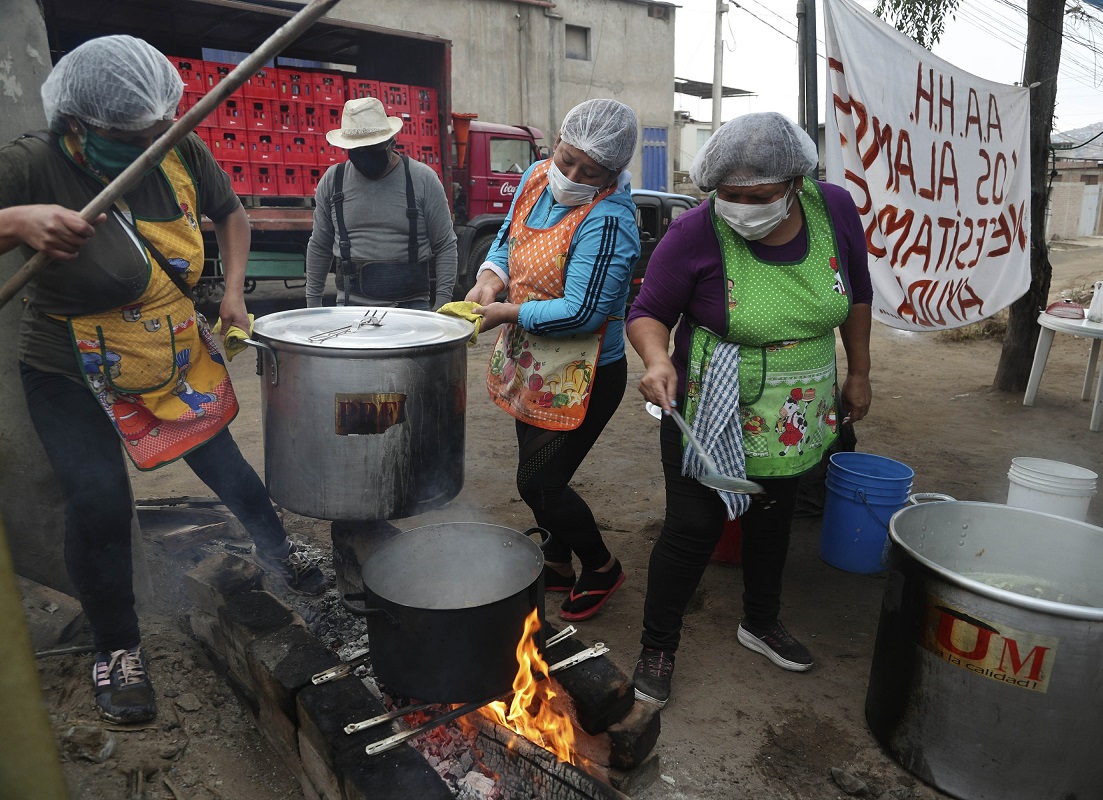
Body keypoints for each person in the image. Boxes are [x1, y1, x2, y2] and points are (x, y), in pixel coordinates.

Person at [0, 36, 328, 726]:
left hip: (168, 347)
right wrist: (15, 221)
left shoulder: (176, 144)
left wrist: (234, 292)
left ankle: (276, 547)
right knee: (97, 503)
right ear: (79, 125)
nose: (152, 140)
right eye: (133, 134)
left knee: (224, 459)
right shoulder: (32, 163)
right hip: (71, 365)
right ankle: (118, 647)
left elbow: (231, 214)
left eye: (158, 127)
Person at [625, 111, 872, 707]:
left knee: (773, 515)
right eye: (728, 196)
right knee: (692, 528)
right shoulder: (695, 233)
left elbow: (858, 292)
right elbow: (648, 313)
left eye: (757, 196)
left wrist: (860, 371)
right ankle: (658, 646)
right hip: (713, 401)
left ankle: (760, 620)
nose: (740, 207)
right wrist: (658, 360)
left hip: (796, 408)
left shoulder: (833, 208)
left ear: (793, 184)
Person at [465, 99, 641, 622]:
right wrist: (489, 279)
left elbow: (583, 313)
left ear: (612, 173)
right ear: (555, 145)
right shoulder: (538, 177)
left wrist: (504, 312)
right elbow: (507, 238)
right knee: (534, 470)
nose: (571, 177)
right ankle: (559, 561)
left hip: (582, 375)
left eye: (591, 172)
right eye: (566, 160)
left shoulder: (610, 221)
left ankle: (601, 566)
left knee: (539, 483)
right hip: (530, 362)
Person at [304, 96, 457, 310]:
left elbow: (445, 245)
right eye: (358, 151)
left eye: (372, 149)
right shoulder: (332, 181)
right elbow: (319, 246)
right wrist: (312, 306)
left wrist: (442, 306)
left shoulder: (422, 179)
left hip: (411, 309)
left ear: (391, 142)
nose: (365, 157)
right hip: (349, 309)